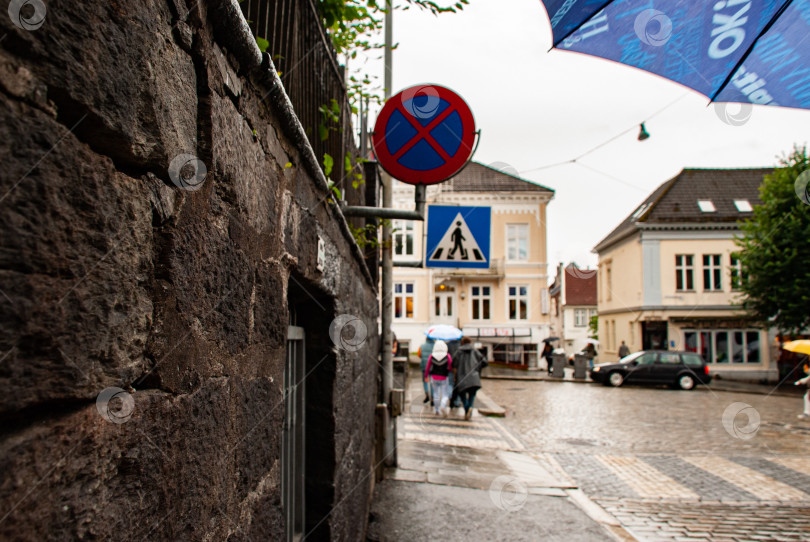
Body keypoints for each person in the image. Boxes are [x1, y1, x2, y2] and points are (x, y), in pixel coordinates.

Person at [453, 337, 488, 420]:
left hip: (462, 377)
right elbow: (484, 362)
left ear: (462, 342)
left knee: (462, 394)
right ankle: (470, 408)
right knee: (472, 394)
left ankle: (467, 407)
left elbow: (453, 363)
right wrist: (478, 368)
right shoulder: (475, 351)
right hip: (474, 376)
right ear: (470, 342)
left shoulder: (459, 351)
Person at [425, 340, 452, 416]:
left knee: (436, 394)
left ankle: (436, 410)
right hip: (444, 376)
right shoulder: (447, 356)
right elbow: (450, 366)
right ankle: (442, 406)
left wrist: (426, 376)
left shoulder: (432, 356)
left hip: (434, 377)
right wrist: (449, 370)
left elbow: (428, 367)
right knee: (445, 394)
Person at [418, 337, 435, 404]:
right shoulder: (435, 347)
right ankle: (433, 397)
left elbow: (419, 354)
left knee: (425, 381)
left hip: (424, 366)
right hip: (433, 366)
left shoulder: (422, 346)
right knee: (432, 382)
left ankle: (427, 394)